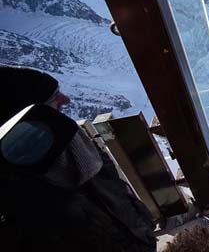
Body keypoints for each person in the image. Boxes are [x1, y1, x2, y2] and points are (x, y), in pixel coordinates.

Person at [0, 65, 156, 251]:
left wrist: (144, 224)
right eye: (52, 97)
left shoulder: (75, 143)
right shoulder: (20, 206)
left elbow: (117, 189)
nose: (66, 99)